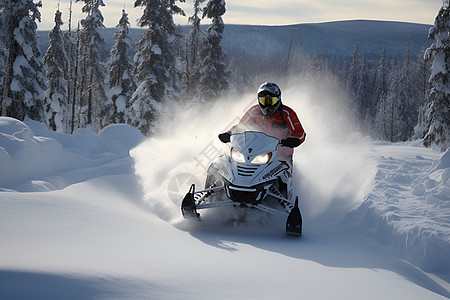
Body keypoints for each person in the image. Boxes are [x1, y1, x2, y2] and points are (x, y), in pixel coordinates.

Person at [218, 82, 306, 166]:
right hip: (256, 153)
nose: (267, 106)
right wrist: (229, 134)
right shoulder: (254, 111)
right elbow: (241, 126)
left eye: (271, 101)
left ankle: (289, 181)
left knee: (284, 175)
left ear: (278, 100)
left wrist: (294, 140)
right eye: (263, 101)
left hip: (280, 155)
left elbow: (300, 132)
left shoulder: (287, 113)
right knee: (231, 163)